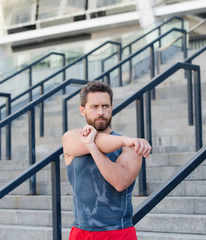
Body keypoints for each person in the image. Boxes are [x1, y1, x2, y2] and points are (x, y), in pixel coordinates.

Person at [62, 81, 152, 239]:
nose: (100, 112)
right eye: (94, 107)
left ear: (111, 107)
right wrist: (123, 140)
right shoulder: (71, 137)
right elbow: (101, 142)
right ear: (82, 110)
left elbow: (120, 183)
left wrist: (91, 147)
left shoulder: (129, 147)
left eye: (105, 106)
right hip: (81, 232)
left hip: (118, 231)